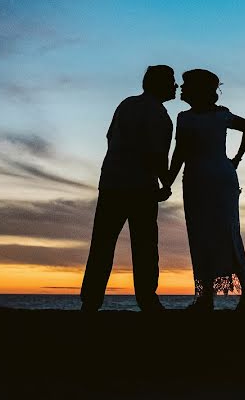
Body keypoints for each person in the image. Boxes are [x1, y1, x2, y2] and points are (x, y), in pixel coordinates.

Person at [80, 65, 178, 312]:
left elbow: (110, 136)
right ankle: (147, 299)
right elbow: (155, 154)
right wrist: (165, 182)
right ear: (159, 85)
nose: (175, 86)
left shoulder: (127, 105)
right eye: (172, 81)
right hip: (140, 187)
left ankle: (91, 301)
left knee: (102, 244)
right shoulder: (159, 116)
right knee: (145, 246)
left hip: (111, 183)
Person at [167, 69, 245, 311]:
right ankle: (206, 295)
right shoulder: (185, 117)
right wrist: (167, 181)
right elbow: (180, 153)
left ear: (198, 90)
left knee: (224, 232)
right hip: (198, 180)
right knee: (202, 234)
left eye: (186, 85)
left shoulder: (220, 115)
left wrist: (236, 159)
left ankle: (243, 293)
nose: (182, 89)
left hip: (217, 180)